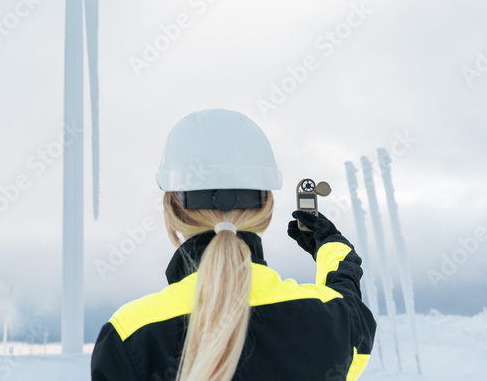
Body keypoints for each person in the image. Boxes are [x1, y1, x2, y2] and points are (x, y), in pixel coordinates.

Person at [90, 109, 377, 381]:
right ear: (266, 206)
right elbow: (348, 302)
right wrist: (330, 245)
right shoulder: (330, 323)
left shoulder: (130, 335)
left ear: (173, 210)